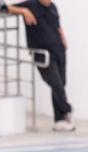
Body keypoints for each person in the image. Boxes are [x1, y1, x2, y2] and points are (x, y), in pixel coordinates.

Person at [14, 0, 74, 131]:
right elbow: (7, 8)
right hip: (43, 54)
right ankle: (67, 109)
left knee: (61, 85)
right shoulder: (30, 5)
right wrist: (23, 11)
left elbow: (57, 26)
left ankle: (59, 120)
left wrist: (64, 41)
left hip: (59, 51)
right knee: (56, 84)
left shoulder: (53, 7)